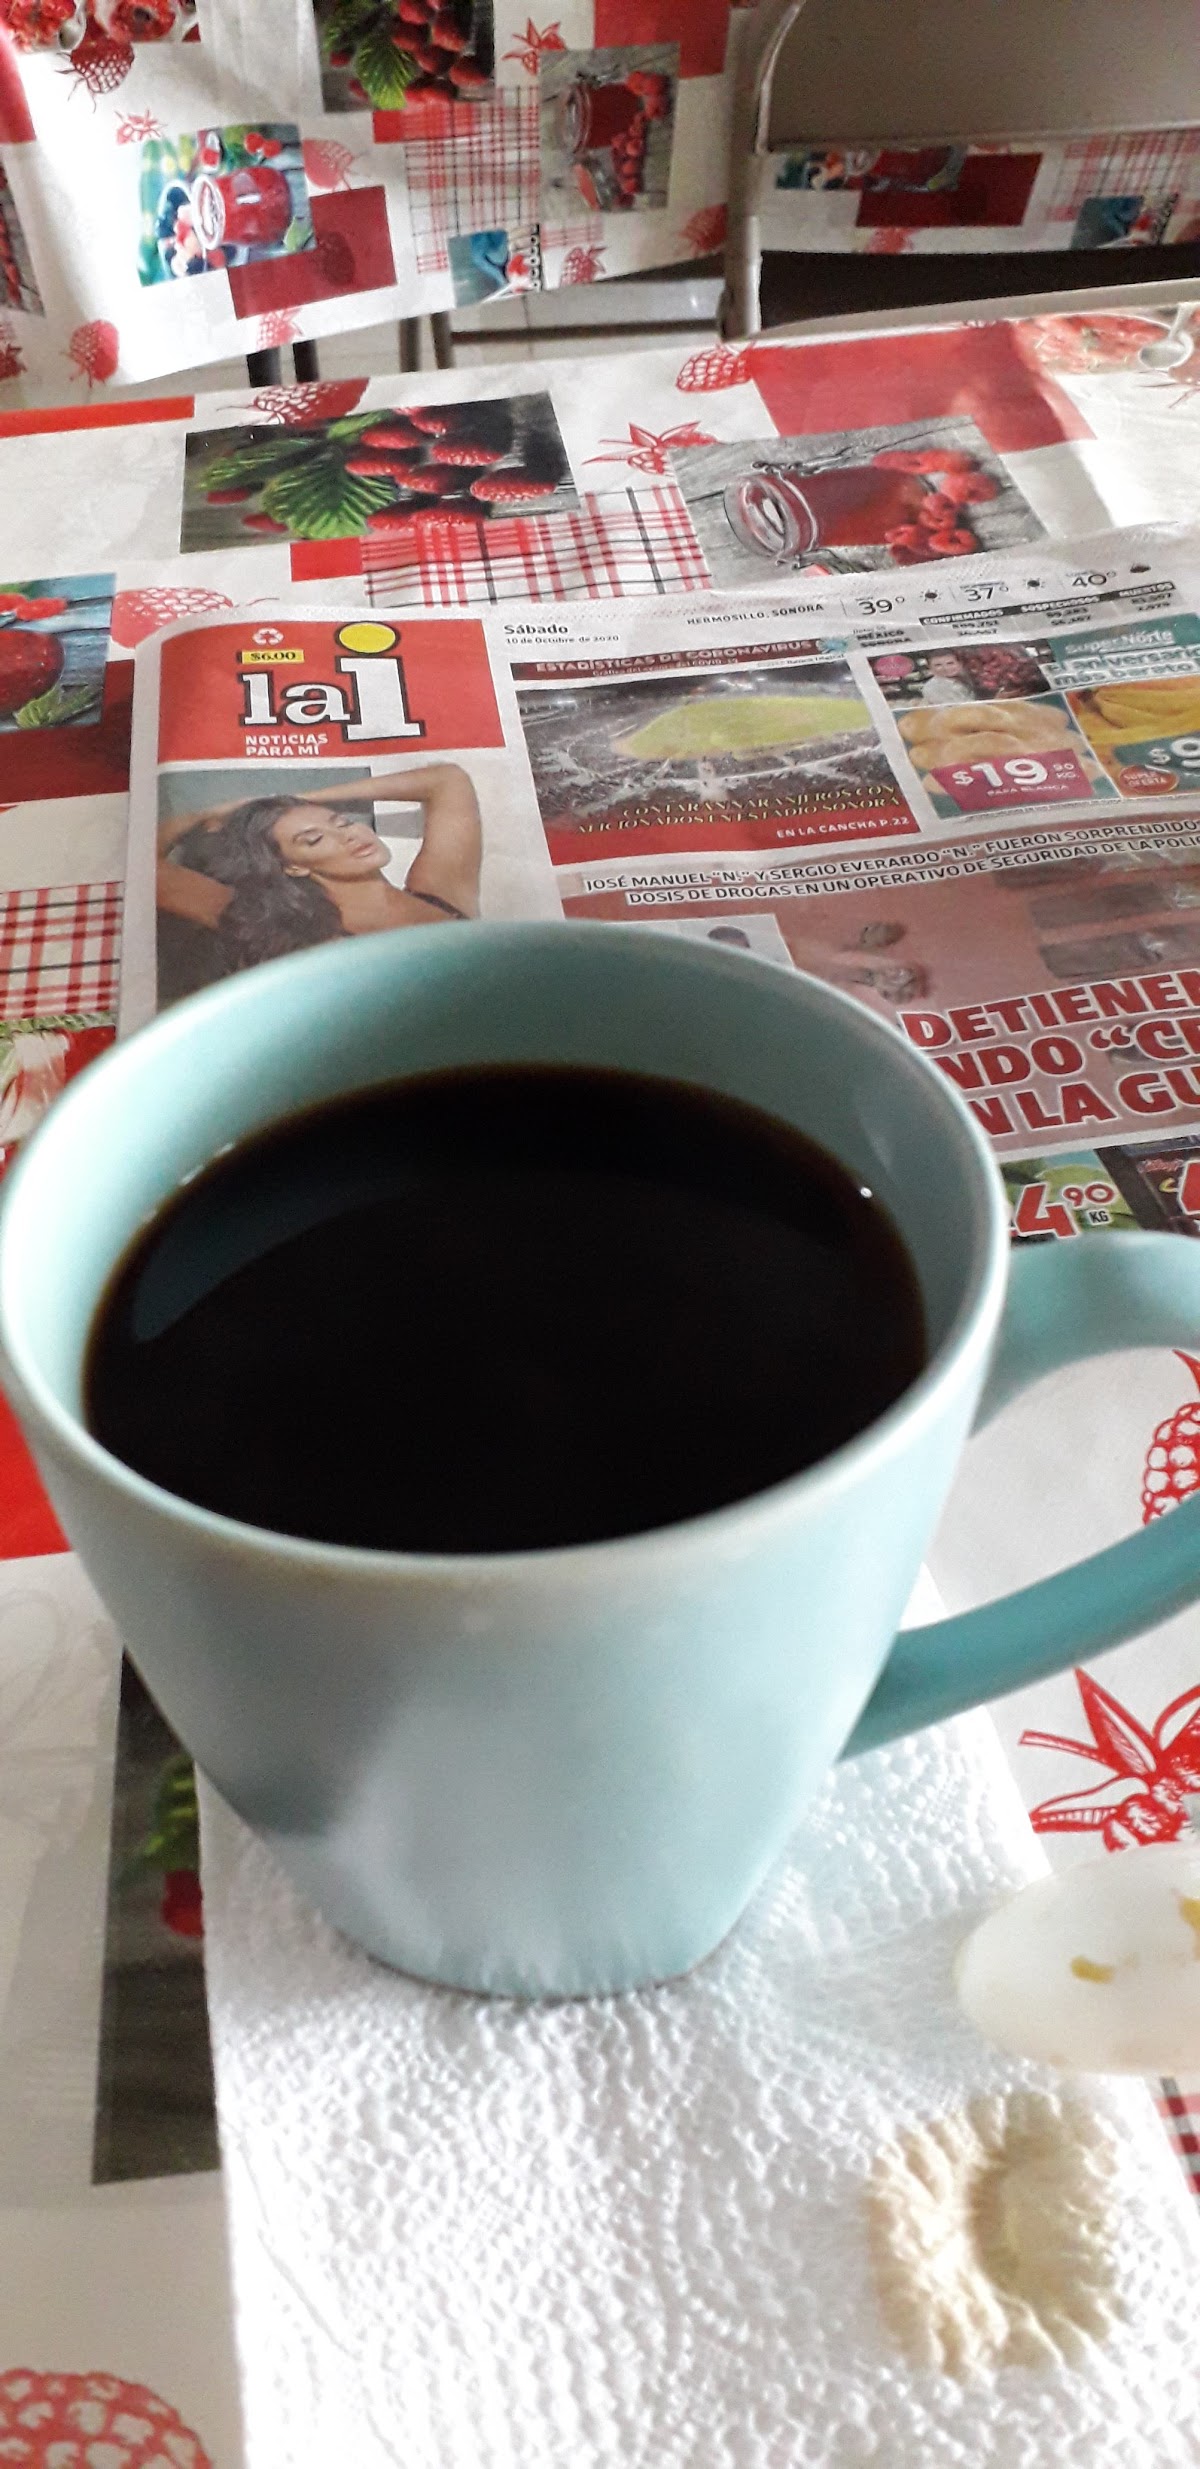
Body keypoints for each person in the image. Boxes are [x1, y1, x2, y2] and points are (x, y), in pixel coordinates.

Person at [155, 764, 482, 1003]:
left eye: (342, 822)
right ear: (292, 866)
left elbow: (447, 779)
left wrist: (296, 799)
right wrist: (203, 816)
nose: (347, 836)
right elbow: (147, 869)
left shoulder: (441, 891)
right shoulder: (277, 927)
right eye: (313, 839)